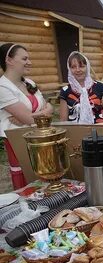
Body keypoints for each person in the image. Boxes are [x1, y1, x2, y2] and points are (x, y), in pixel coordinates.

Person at [0, 43, 53, 189]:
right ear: (9, 60)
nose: (29, 62)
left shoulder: (29, 82)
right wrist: (40, 114)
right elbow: (31, 118)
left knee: (46, 174)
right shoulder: (2, 87)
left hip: (39, 137)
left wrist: (35, 115)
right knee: (29, 180)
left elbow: (49, 108)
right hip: (18, 142)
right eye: (24, 59)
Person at [59, 51, 103, 140]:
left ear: (87, 67)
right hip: (76, 138)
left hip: (101, 136)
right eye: (73, 67)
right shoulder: (65, 92)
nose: (78, 70)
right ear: (69, 69)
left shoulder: (100, 88)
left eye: (81, 66)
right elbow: (63, 122)